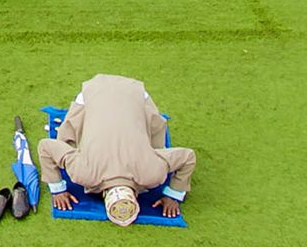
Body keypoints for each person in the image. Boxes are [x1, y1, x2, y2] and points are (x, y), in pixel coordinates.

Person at [40, 75, 195, 227]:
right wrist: (58, 190)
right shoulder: (84, 173)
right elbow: (46, 147)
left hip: (135, 95)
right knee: (67, 140)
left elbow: (188, 157)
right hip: (102, 94)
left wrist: (174, 195)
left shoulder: (151, 173)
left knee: (68, 138)